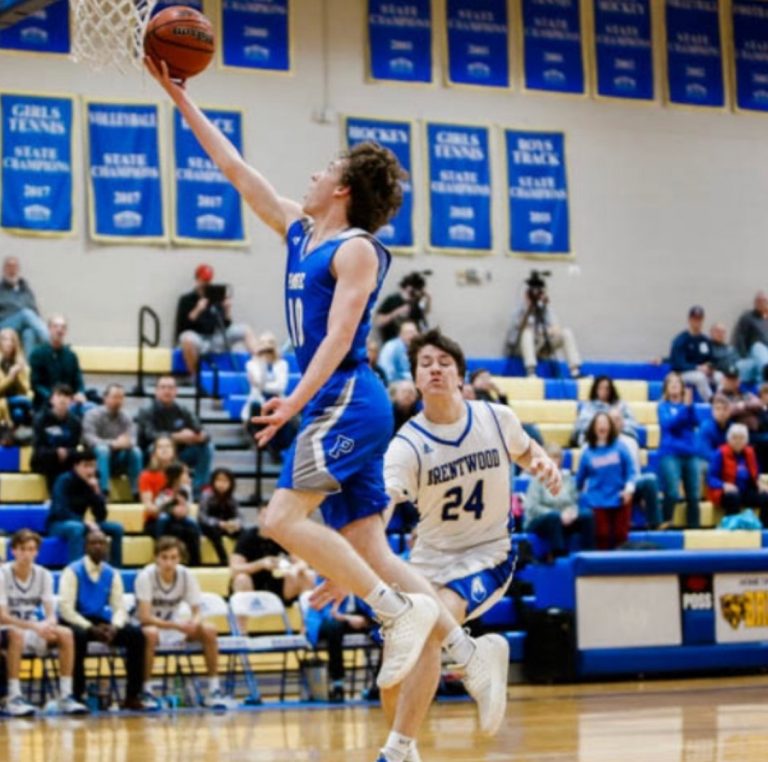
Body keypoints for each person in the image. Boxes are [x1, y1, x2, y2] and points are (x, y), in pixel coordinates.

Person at [147, 55, 442, 706]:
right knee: (370, 546)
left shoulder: (356, 247)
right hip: (331, 399)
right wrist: (179, 96)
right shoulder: (301, 232)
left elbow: (339, 338)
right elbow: (235, 169)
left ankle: (396, 612)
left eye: (324, 169)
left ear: (343, 190)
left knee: (280, 519)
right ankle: (467, 649)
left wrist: (293, 402)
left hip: (347, 394)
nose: (311, 175)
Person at [372, 329, 561, 760]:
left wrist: (542, 464)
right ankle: (409, 744)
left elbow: (526, 450)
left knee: (428, 627)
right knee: (392, 678)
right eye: (425, 364)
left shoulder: (496, 418)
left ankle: (395, 752)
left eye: (444, 362)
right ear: (415, 379)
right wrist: (361, 549)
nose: (435, 369)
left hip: (488, 555)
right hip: (427, 563)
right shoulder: (406, 444)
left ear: (460, 376)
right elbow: (384, 503)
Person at [135, 537, 234, 709]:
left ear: (180, 558)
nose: (169, 563)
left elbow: (197, 611)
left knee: (209, 629)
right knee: (150, 633)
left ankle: (214, 689)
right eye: (164, 557)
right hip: (149, 627)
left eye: (173, 558)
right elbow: (145, 617)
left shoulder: (186, 575)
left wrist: (193, 623)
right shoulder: (145, 576)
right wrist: (177, 626)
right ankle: (146, 690)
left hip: (173, 626)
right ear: (156, 558)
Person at [0, 530, 87, 716]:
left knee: (66, 633)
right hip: (6, 629)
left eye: (31, 549)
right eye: (22, 549)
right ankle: (14, 697)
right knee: (16, 634)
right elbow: (3, 616)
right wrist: (35, 626)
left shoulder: (44, 575)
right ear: (13, 551)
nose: (27, 554)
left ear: (37, 552)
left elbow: (51, 614)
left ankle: (65, 695)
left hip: (31, 627)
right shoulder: (3, 574)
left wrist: (48, 625)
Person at [58, 530, 148, 710]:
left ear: (107, 547)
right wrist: (90, 627)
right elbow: (66, 609)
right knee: (78, 637)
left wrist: (115, 627)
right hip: (76, 620)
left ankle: (132, 695)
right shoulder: (72, 571)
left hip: (99, 621)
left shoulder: (112, 573)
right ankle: (77, 694)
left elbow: (119, 607)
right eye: (93, 543)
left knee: (136, 635)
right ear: (85, 547)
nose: (98, 547)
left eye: (102, 543)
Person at [175, 263, 260, 379]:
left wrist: (227, 310)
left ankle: (260, 365)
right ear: (197, 280)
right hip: (198, 339)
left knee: (245, 330)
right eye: (203, 280)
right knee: (186, 339)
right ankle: (196, 377)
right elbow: (182, 328)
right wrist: (197, 310)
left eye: (208, 281)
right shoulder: (186, 299)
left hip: (215, 338)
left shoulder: (215, 298)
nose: (206, 284)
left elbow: (225, 325)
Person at [136, 375, 214, 496]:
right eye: (163, 387)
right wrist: (177, 437)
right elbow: (150, 435)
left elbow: (201, 429)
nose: (167, 391)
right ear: (156, 391)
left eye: (170, 388)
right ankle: (158, 491)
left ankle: (199, 491)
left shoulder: (183, 410)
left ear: (176, 391)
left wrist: (201, 436)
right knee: (160, 447)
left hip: (180, 454)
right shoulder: (146, 411)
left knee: (207, 447)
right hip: (151, 455)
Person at [47, 448, 124, 567]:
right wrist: (84, 521)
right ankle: (75, 570)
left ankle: (115, 569)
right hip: (58, 524)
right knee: (77, 528)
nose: (90, 470)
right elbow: (59, 510)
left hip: (81, 523)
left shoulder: (91, 482)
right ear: (76, 466)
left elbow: (101, 515)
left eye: (92, 466)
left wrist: (97, 493)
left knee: (117, 528)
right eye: (86, 466)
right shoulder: (63, 480)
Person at [576, 412, 637, 550]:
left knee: (621, 537)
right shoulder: (587, 452)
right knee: (601, 536)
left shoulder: (620, 447)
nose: (602, 426)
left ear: (610, 427)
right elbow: (579, 480)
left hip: (619, 497)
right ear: (593, 428)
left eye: (605, 423)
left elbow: (631, 471)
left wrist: (629, 489)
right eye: (599, 423)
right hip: (597, 500)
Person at [524, 443, 594, 560]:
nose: (554, 461)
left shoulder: (567, 479)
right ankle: (559, 555)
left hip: (564, 518)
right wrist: (559, 514)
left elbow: (573, 502)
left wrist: (572, 513)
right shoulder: (537, 480)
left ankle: (589, 555)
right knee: (554, 517)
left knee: (587, 515)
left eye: (556, 458)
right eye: (550, 458)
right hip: (540, 520)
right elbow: (532, 507)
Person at [505, 272, 581, 378]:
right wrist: (528, 308)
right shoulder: (518, 311)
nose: (536, 296)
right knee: (527, 333)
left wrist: (543, 306)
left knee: (566, 332)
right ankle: (531, 372)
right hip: (522, 349)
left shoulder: (546, 310)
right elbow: (517, 332)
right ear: (526, 294)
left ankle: (575, 371)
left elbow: (556, 328)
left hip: (542, 346)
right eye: (533, 293)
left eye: (539, 293)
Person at [230, 520, 316, 608]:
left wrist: (294, 569)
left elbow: (302, 562)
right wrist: (261, 564)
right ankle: (244, 615)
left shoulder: (284, 537)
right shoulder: (247, 537)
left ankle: (309, 613)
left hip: (279, 584)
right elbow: (235, 568)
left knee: (307, 575)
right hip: (254, 584)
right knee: (241, 579)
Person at [241, 332, 296, 462]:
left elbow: (280, 387)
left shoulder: (282, 364)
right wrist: (262, 363)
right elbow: (259, 384)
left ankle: (278, 449)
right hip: (258, 403)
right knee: (259, 409)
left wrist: (265, 386)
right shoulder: (252, 364)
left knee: (283, 415)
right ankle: (267, 446)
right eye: (263, 346)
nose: (267, 350)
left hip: (277, 403)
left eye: (269, 346)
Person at [82, 384, 142, 498]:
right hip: (96, 458)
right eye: (114, 397)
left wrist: (126, 443)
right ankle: (103, 492)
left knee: (136, 451)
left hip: (119, 457)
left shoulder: (126, 417)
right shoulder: (92, 415)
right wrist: (112, 444)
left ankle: (137, 492)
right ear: (105, 398)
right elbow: (89, 438)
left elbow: (133, 439)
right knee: (103, 450)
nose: (118, 401)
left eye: (121, 398)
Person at [657, 372, 701, 529]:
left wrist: (690, 407)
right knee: (672, 493)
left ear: (682, 388)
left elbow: (696, 422)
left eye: (677, 382)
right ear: (666, 388)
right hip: (670, 453)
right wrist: (686, 410)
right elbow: (669, 424)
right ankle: (664, 524)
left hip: (690, 453)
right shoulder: (663, 407)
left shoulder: (688, 407)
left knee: (694, 496)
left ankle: (694, 530)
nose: (675, 385)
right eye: (671, 383)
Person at [608, 408, 661, 529]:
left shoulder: (631, 442)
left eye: (617, 420)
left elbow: (635, 471)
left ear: (622, 423)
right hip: (608, 485)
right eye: (611, 420)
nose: (614, 423)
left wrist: (633, 490)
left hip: (628, 484)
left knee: (650, 480)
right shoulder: (598, 442)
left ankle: (655, 524)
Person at [707, 423, 768, 524]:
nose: (738, 441)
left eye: (741, 438)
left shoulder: (750, 453)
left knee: (765, 497)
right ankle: (733, 526)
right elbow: (711, 478)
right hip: (725, 492)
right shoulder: (720, 453)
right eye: (735, 438)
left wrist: (759, 484)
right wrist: (724, 485)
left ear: (746, 440)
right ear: (729, 439)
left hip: (745, 491)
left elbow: (754, 474)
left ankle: (763, 527)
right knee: (734, 497)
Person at [30, 383, 82, 490]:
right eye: (59, 395)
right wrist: (56, 452)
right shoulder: (41, 419)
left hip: (67, 460)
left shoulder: (75, 422)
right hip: (45, 460)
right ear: (51, 400)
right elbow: (38, 448)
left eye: (66, 396)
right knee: (54, 464)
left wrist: (66, 452)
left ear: (71, 401)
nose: (62, 399)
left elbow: (75, 447)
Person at [29, 315, 86, 410]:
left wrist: (80, 393)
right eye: (55, 326)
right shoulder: (37, 353)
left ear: (66, 331)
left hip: (69, 402)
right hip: (45, 403)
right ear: (49, 329)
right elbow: (35, 384)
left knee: (90, 409)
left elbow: (78, 380)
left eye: (63, 327)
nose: (59, 330)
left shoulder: (71, 355)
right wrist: (53, 398)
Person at [154, 463, 202, 567]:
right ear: (176, 476)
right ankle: (158, 550)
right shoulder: (166, 489)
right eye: (185, 473)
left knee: (193, 524)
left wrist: (183, 509)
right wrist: (172, 506)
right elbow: (159, 506)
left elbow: (188, 505)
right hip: (168, 515)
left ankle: (196, 561)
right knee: (162, 519)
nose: (188, 476)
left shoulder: (186, 489)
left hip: (182, 515)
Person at [0, 256, 48, 356]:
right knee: (26, 314)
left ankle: (30, 363)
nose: (12, 270)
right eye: (9, 267)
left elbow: (35, 311)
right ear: (4, 270)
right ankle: (52, 342)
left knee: (29, 333)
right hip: (4, 325)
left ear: (18, 270)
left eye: (15, 267)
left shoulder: (26, 290)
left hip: (23, 326)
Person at [572, 375, 639, 446]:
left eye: (607, 388)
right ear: (595, 390)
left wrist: (617, 424)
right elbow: (581, 425)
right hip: (596, 438)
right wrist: (602, 424)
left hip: (619, 437)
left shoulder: (621, 405)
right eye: (601, 388)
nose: (604, 391)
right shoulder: (588, 406)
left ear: (611, 390)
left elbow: (632, 424)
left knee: (631, 443)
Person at [668, 305, 717, 402]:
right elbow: (678, 364)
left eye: (699, 319)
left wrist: (709, 367)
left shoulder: (705, 340)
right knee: (700, 378)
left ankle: (723, 401)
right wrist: (697, 368)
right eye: (694, 319)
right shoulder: (680, 340)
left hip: (703, 372)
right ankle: (712, 402)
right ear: (689, 320)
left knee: (719, 377)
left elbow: (711, 359)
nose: (697, 322)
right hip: (682, 373)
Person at [198, 468, 244, 565]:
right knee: (213, 531)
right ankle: (224, 560)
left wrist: (236, 524)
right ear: (213, 482)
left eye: (225, 481)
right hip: (210, 526)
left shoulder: (233, 498)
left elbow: (239, 516)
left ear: (231, 483)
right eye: (218, 480)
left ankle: (240, 558)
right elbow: (202, 517)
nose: (221, 484)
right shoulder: (206, 495)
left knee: (243, 532)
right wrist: (218, 523)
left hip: (227, 526)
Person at [138, 435, 179, 535]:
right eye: (160, 447)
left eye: (168, 446)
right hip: (155, 519)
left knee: (191, 527)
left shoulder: (180, 472)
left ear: (174, 451)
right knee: (169, 525)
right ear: (154, 453)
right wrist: (165, 508)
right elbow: (149, 507)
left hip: (177, 517)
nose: (164, 450)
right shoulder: (146, 475)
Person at [0, 327, 32, 443]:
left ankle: (13, 437)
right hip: (2, 401)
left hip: (16, 402)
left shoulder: (20, 363)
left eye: (12, 340)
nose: (9, 343)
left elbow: (26, 390)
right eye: (5, 339)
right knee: (24, 401)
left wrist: (17, 376)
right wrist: (10, 377)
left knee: (18, 413)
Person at [732, 291, 768, 385]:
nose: (761, 303)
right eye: (758, 301)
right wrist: (743, 356)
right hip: (755, 351)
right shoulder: (747, 317)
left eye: (764, 301)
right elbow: (740, 337)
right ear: (755, 303)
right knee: (758, 347)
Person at [717, 365, 762, 431]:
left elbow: (759, 403)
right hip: (733, 430)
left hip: (754, 428)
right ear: (723, 380)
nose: (731, 382)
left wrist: (745, 405)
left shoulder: (743, 392)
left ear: (738, 380)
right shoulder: (720, 395)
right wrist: (747, 409)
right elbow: (729, 410)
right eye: (729, 379)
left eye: (734, 379)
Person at [698, 394, 731, 465]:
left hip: (728, 462)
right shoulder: (706, 427)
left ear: (729, 411)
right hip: (710, 462)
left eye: (725, 409)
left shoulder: (733, 427)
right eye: (718, 409)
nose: (721, 412)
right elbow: (705, 453)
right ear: (712, 411)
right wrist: (723, 458)